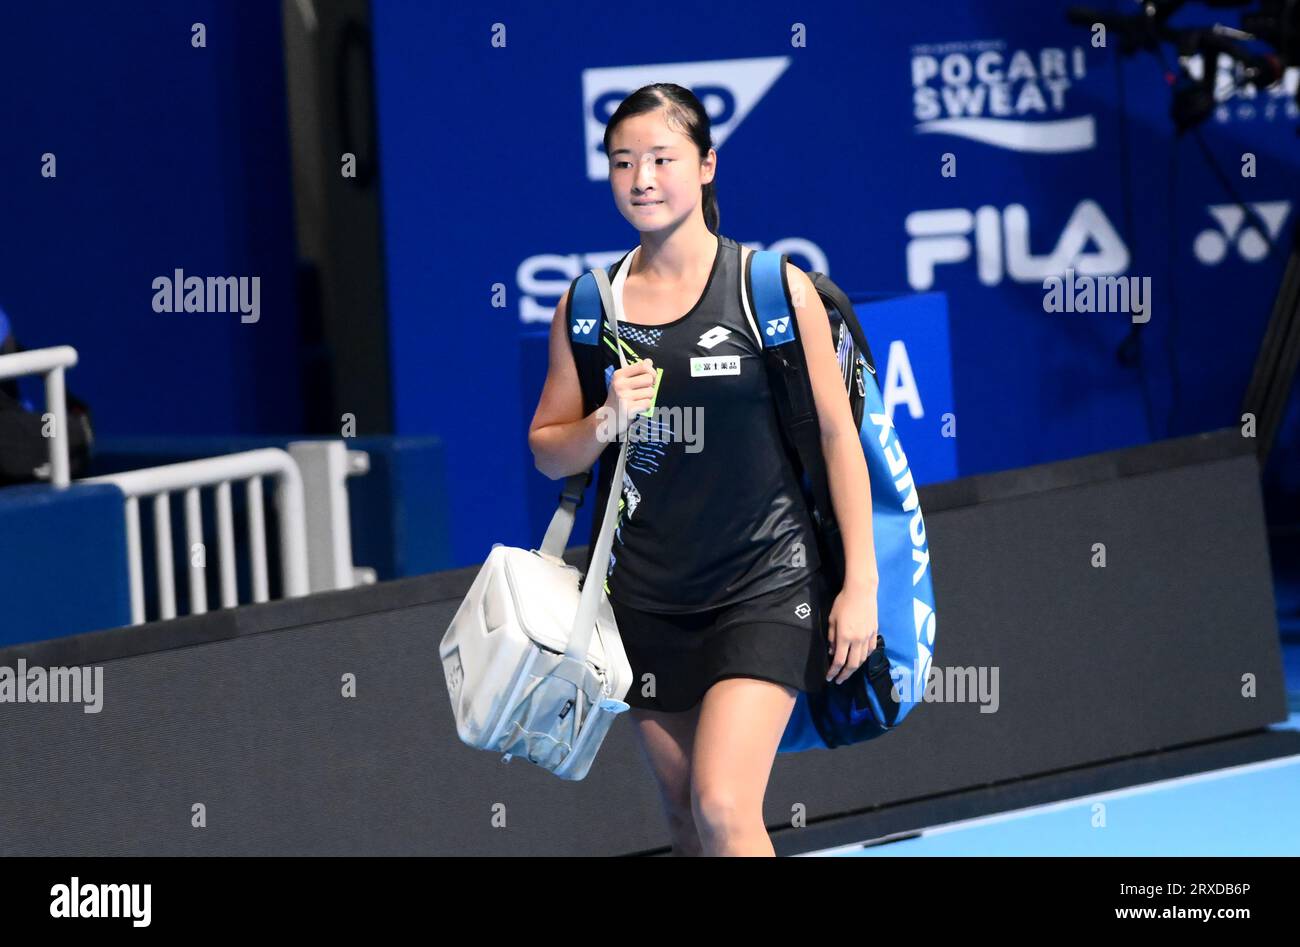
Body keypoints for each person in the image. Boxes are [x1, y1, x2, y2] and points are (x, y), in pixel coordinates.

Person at [528, 83, 879, 856]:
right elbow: (548, 445)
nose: (642, 179)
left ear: (707, 164)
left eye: (661, 158)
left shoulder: (772, 291)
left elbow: (836, 437)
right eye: (623, 163)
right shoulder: (589, 308)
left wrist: (861, 583)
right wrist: (602, 422)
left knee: (724, 804)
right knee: (688, 818)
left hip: (766, 584)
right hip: (644, 601)